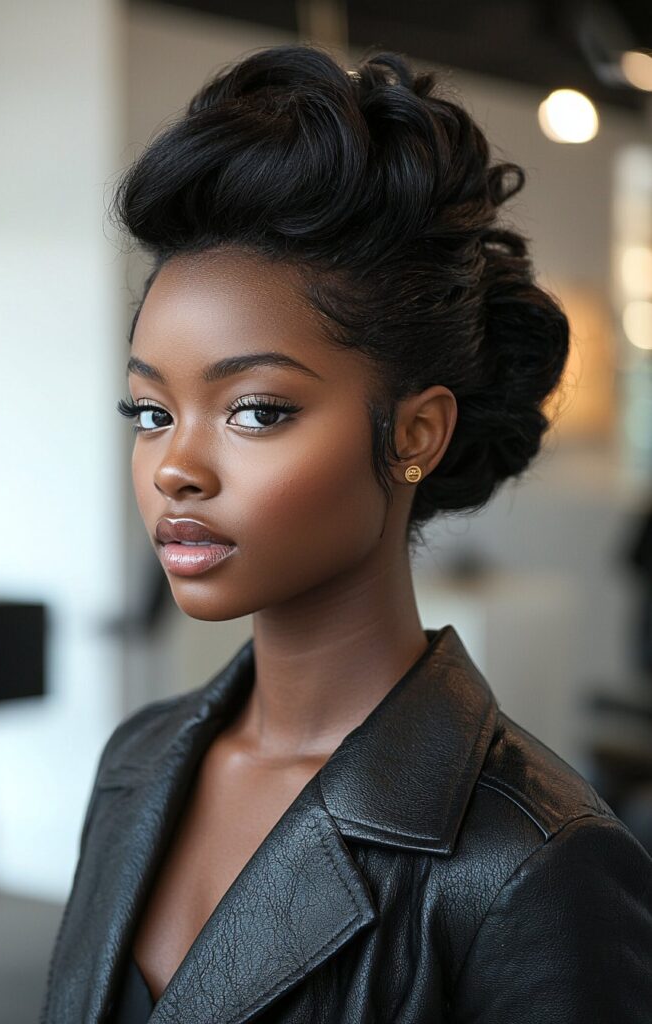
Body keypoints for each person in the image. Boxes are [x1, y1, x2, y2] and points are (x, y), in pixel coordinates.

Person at [40, 44, 652, 1024]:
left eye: (254, 410)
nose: (174, 468)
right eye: (150, 413)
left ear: (414, 432)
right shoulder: (138, 764)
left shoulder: (528, 860)